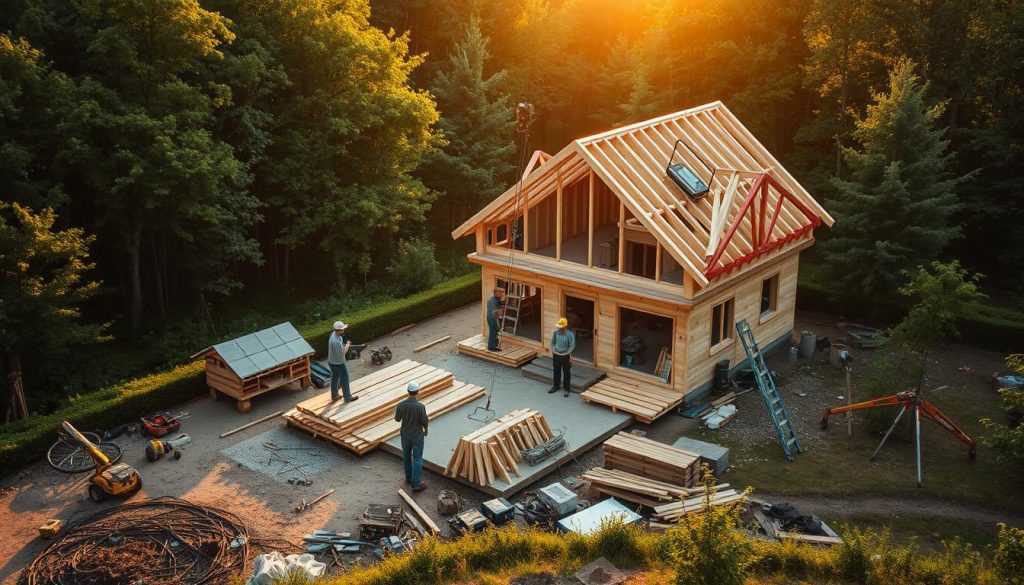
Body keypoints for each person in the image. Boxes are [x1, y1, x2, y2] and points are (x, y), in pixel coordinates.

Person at [394, 381, 429, 492]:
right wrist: (426, 430)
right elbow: (424, 421)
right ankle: (416, 483)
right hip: (417, 435)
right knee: (417, 458)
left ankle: (408, 478)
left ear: (408, 391)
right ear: (417, 392)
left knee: (406, 455)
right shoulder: (420, 407)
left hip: (405, 434)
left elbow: (397, 419)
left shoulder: (401, 405)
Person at [327, 321, 358, 403]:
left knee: (335, 378)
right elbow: (343, 353)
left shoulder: (334, 335)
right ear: (338, 330)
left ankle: (334, 396)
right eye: (342, 330)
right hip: (338, 363)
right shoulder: (335, 341)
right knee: (345, 378)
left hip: (331, 362)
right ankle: (347, 397)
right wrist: (347, 344)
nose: (344, 331)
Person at [550, 317, 576, 397]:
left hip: (565, 356)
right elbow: (553, 342)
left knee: (566, 373)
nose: (559, 328)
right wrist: (553, 350)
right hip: (556, 355)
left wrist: (567, 353)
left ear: (565, 327)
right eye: (559, 327)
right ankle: (556, 386)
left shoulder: (569, 335)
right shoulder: (556, 333)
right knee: (556, 371)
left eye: (561, 327)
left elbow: (571, 346)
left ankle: (566, 389)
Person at [485, 287, 505, 351]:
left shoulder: (495, 298)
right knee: (493, 332)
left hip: (493, 317)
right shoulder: (492, 301)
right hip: (492, 318)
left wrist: (501, 303)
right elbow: (494, 310)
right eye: (501, 294)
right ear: (497, 293)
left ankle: (495, 345)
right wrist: (501, 311)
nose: (502, 295)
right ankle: (491, 347)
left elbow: (498, 303)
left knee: (496, 331)